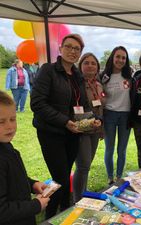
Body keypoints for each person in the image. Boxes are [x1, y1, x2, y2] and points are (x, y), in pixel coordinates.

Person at [30, 34, 98, 219]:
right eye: (68, 46)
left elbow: (81, 104)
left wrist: (91, 120)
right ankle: (55, 216)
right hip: (51, 133)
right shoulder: (48, 70)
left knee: (64, 176)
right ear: (60, 49)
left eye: (77, 49)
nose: (72, 51)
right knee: (60, 179)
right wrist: (64, 121)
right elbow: (37, 103)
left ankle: (61, 214)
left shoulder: (77, 75)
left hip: (72, 134)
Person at [0, 90, 50, 225]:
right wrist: (35, 206)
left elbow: (14, 179)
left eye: (12, 119)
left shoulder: (7, 147)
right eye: (1, 122)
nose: (10, 126)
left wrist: (32, 184)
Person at [73, 53, 105, 203]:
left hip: (95, 129)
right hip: (81, 129)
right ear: (80, 66)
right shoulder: (76, 84)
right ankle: (78, 200)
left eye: (93, 63)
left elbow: (100, 107)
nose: (90, 65)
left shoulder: (98, 85)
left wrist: (101, 127)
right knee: (83, 165)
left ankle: (83, 194)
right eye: (86, 63)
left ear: (98, 67)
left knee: (87, 165)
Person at [100, 46, 132, 185]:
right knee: (110, 148)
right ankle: (110, 177)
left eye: (123, 58)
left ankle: (119, 177)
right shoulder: (104, 76)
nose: (120, 60)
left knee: (122, 149)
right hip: (109, 115)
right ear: (112, 57)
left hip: (125, 115)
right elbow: (99, 95)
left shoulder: (130, 76)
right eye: (118, 57)